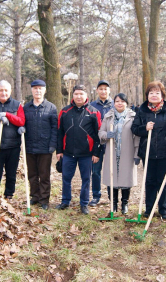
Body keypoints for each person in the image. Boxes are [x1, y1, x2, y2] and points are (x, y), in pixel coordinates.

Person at [131, 81, 166, 219]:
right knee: (149, 180)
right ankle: (149, 209)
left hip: (164, 151)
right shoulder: (142, 110)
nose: (154, 95)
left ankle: (163, 210)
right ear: (147, 95)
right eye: (151, 93)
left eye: (157, 93)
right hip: (148, 151)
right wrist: (145, 128)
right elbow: (134, 128)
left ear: (162, 95)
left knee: (163, 181)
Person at [56, 85, 101, 214]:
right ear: (73, 95)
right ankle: (65, 201)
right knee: (66, 178)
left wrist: (96, 153)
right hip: (68, 153)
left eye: (81, 94)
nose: (79, 96)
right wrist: (59, 151)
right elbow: (60, 132)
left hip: (87, 154)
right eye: (76, 94)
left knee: (86, 179)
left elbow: (98, 134)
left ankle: (84, 203)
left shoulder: (93, 112)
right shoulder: (64, 112)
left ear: (86, 95)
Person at [99, 93, 140, 214]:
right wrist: (107, 135)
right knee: (112, 178)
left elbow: (137, 137)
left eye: (122, 101)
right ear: (114, 103)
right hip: (112, 151)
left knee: (126, 178)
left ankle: (124, 204)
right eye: (117, 101)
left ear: (126, 103)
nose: (119, 103)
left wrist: (137, 154)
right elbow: (101, 132)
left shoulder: (133, 117)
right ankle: (113, 204)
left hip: (127, 151)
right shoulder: (108, 117)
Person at [22, 80, 58, 210]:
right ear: (31, 90)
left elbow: (55, 128)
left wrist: (52, 145)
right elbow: (22, 123)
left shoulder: (51, 107)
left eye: (40, 88)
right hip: (29, 147)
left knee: (44, 175)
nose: (38, 91)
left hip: (45, 147)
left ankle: (44, 199)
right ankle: (34, 196)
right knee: (32, 174)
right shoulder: (26, 108)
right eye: (35, 88)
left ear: (45, 90)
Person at [89, 80, 113, 207]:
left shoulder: (116, 104)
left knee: (111, 171)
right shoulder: (92, 106)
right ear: (97, 90)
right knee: (96, 171)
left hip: (111, 144)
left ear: (109, 90)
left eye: (105, 89)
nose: (103, 91)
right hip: (96, 145)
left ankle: (112, 196)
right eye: (101, 89)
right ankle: (96, 195)